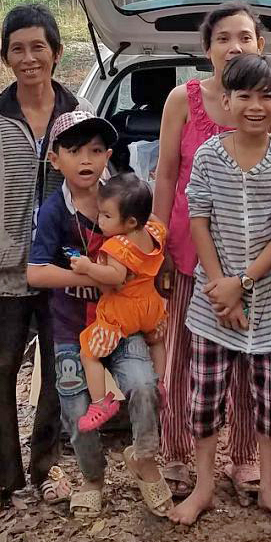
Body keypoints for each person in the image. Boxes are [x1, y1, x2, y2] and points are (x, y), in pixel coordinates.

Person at [153, 2, 271, 493]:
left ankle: (244, 457)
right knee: (182, 359)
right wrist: (156, 243)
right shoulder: (182, 100)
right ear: (207, 49)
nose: (235, 46)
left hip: (252, 260)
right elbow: (166, 174)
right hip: (189, 250)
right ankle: (175, 452)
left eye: (245, 37)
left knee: (247, 362)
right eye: (223, 38)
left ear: (261, 45)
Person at [169, 53, 271, 530]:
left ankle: (268, 488)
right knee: (204, 400)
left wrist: (242, 283)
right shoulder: (209, 156)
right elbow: (198, 220)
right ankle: (204, 487)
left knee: (270, 404)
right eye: (243, 95)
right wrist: (219, 288)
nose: (255, 106)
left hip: (268, 307)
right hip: (212, 308)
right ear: (225, 101)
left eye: (266, 96)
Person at [0, 4, 81, 517]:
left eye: (38, 47)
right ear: (6, 56)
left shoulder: (78, 112)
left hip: (59, 269)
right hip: (3, 265)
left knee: (58, 369)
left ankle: (48, 465)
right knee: (1, 367)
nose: (29, 58)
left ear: (56, 52)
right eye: (17, 49)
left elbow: (92, 189)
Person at [27, 112, 169, 517]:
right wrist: (91, 278)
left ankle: (144, 459)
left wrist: (155, 286)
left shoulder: (124, 198)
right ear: (55, 160)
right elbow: (35, 272)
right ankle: (92, 477)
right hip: (73, 327)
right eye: (74, 151)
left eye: (95, 150)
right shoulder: (55, 212)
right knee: (77, 409)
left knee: (144, 385)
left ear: (108, 155)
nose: (85, 159)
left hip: (123, 325)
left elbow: (155, 235)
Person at [72, 174, 168, 429]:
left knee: (88, 352)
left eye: (107, 216)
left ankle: (100, 403)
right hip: (151, 306)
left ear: (130, 221)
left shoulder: (117, 246)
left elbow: (115, 276)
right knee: (157, 341)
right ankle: (160, 382)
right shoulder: (153, 233)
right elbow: (158, 223)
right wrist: (145, 214)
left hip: (122, 311)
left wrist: (87, 267)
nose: (100, 220)